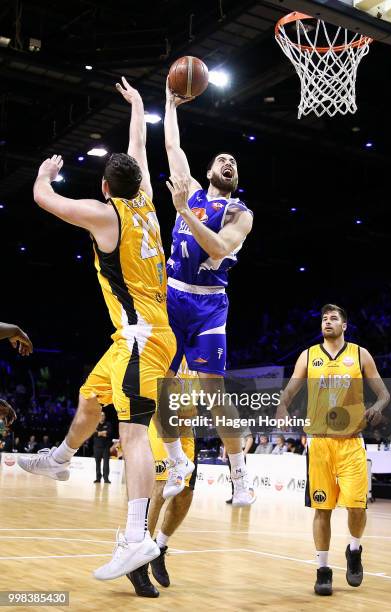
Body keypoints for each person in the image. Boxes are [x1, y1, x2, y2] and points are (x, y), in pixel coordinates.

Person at [18, 77, 176, 582]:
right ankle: (61, 458)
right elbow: (138, 151)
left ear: (106, 189)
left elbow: (46, 199)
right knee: (90, 399)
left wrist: (45, 175)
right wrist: (137, 107)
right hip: (139, 336)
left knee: (132, 435)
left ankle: (136, 538)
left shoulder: (107, 217)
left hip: (141, 339)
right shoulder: (147, 205)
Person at [158, 79, 254, 506]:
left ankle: (241, 478)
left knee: (214, 394)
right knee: (162, 384)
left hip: (209, 305)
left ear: (236, 177)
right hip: (172, 295)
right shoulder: (193, 191)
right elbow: (174, 149)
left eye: (234, 161)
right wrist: (169, 104)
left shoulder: (239, 212)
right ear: (211, 170)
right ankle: (178, 461)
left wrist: (181, 213)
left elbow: (218, 247)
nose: (228, 161)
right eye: (222, 158)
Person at [277, 303, 390, 596]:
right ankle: (323, 569)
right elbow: (290, 389)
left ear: (345, 326)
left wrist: (377, 407)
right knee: (322, 509)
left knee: (356, 505)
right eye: (325, 318)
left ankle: (354, 549)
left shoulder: (359, 354)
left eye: (334, 318)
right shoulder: (308, 356)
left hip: (351, 442)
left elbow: (384, 393)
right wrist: (282, 404)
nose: (328, 322)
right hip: (319, 443)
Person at [127, 357, 198, 598]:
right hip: (161, 426)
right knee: (160, 488)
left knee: (186, 494)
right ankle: (139, 562)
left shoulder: (204, 350)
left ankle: (159, 547)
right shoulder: (168, 346)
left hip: (187, 430)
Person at [93, 412, 112, 483]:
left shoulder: (108, 424)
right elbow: (92, 433)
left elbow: (110, 433)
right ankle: (98, 478)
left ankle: (106, 478)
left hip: (106, 448)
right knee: (98, 463)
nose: (102, 416)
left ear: (105, 416)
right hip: (97, 447)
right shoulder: (95, 424)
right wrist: (102, 433)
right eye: (100, 415)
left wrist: (98, 433)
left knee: (106, 463)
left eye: (103, 415)